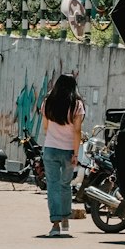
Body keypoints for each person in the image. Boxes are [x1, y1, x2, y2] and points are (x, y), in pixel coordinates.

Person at [40, 75, 84, 237]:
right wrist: (75, 153)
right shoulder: (77, 105)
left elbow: (45, 127)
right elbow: (77, 131)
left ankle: (56, 224)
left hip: (50, 149)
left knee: (53, 185)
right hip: (68, 151)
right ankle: (65, 218)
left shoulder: (48, 102)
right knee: (65, 185)